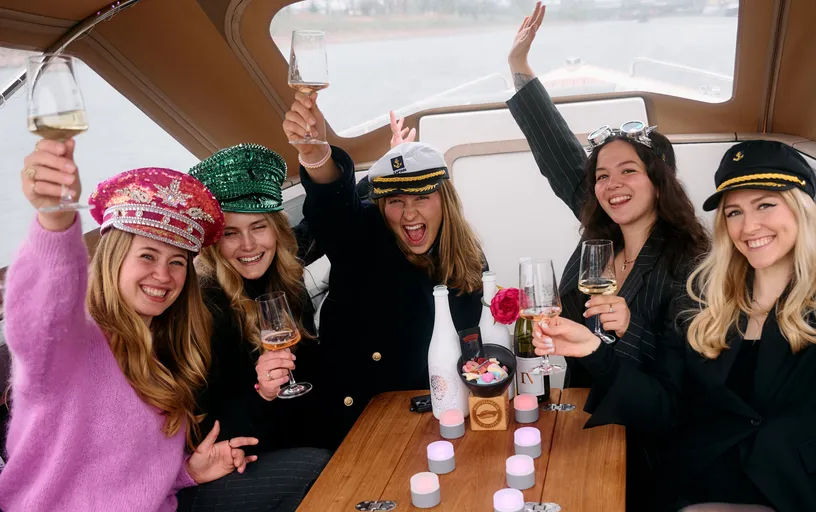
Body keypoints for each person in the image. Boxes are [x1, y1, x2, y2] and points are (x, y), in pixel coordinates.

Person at [533, 140, 816, 511]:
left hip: (802, 486)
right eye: (734, 212)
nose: (750, 226)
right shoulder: (701, 298)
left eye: (765, 204)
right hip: (704, 479)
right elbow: (665, 408)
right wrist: (594, 351)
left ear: (801, 208)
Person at [506, 3, 709, 509]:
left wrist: (623, 327)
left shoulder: (690, 263)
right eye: (602, 176)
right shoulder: (602, 236)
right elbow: (559, 155)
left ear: (659, 183)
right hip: (577, 409)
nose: (611, 185)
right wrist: (519, 68)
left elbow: (675, 387)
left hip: (646, 441)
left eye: (628, 172)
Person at [0, 139, 257, 511]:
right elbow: (39, 315)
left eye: (177, 262)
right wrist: (55, 220)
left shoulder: (163, 345)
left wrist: (189, 472)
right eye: (147, 256)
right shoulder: (72, 343)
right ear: (115, 260)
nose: (163, 275)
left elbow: (125, 478)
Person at [281, 92, 487, 434]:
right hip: (361, 415)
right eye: (395, 201)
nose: (409, 214)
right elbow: (335, 211)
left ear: (445, 201)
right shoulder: (365, 237)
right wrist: (315, 154)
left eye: (422, 197)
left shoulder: (468, 256)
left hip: (439, 408)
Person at [175, 143, 332, 511]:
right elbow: (207, 433)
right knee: (323, 467)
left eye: (258, 227)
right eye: (231, 233)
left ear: (276, 228)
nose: (248, 245)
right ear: (213, 243)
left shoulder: (286, 283)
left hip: (278, 438)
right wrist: (262, 392)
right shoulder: (205, 308)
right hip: (221, 467)